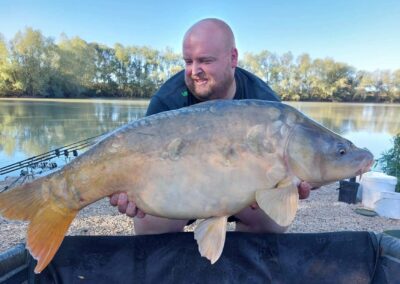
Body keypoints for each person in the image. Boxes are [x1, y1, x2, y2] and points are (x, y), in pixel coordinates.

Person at [110, 18, 313, 234]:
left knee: (274, 222)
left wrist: (289, 185)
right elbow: (142, 163)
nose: (194, 71)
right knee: (149, 225)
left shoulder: (265, 104)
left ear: (232, 58)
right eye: (188, 61)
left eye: (205, 61)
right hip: (180, 192)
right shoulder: (166, 102)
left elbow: (290, 168)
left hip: (245, 195)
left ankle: (244, 263)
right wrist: (129, 191)